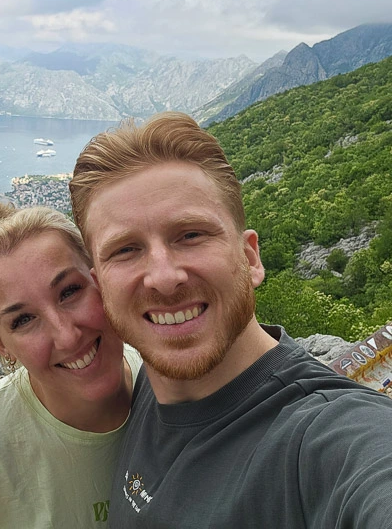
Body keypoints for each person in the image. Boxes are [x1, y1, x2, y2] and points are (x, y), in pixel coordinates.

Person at [69, 111, 392, 528]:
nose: (165, 278)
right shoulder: (145, 384)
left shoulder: (327, 439)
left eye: (190, 235)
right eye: (125, 250)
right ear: (100, 285)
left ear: (250, 257)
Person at [0, 202, 141, 529]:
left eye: (70, 291)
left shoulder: (175, 383)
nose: (66, 337)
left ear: (100, 278)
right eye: (23, 320)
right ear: (1, 345)